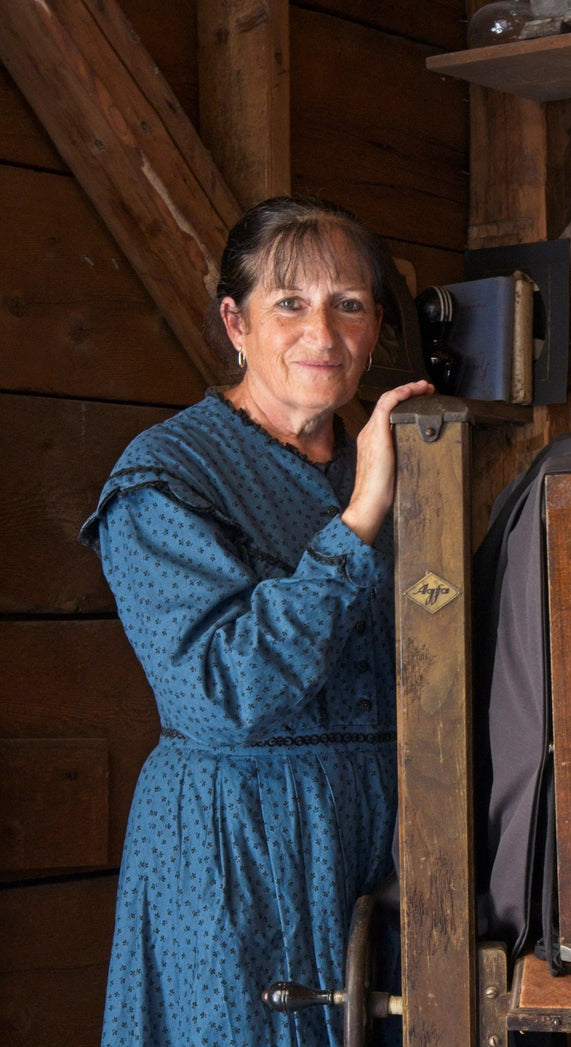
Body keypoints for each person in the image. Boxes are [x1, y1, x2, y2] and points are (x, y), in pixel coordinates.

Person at [79, 195, 433, 1046]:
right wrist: (356, 525)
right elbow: (223, 691)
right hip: (238, 843)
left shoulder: (403, 466)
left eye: (348, 304)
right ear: (235, 322)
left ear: (376, 327)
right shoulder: (166, 478)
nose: (323, 331)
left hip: (385, 841)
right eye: (291, 304)